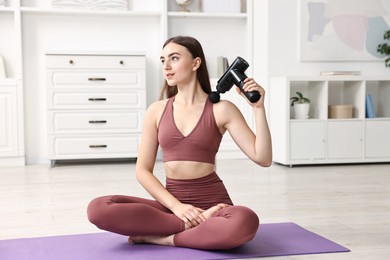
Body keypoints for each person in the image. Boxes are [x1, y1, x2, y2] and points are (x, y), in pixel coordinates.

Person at [87, 35, 272, 250]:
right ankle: (190, 226)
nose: (166, 66)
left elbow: (263, 158)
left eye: (174, 58)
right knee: (99, 208)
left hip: (215, 206)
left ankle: (166, 238)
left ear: (196, 63)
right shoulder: (156, 110)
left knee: (245, 220)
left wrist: (258, 109)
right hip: (171, 206)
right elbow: (142, 171)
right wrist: (178, 208)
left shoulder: (222, 109)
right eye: (163, 60)